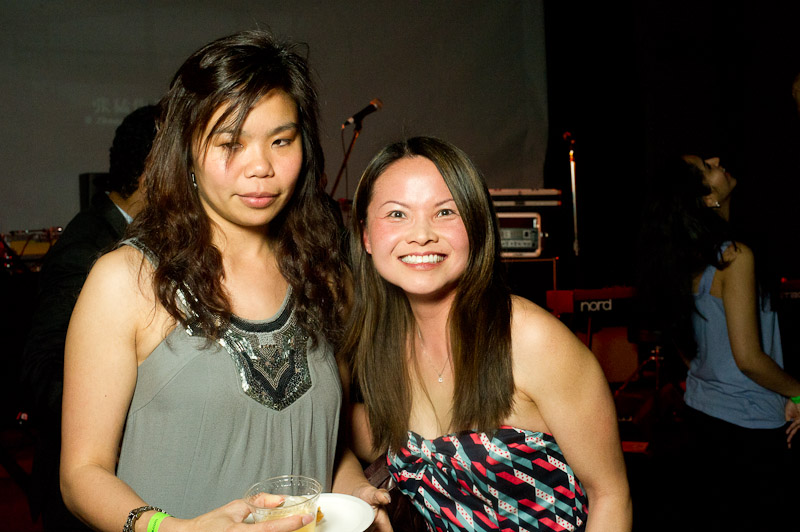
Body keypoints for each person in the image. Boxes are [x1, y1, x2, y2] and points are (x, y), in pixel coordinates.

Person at [60, 30, 388, 532]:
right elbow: (82, 474)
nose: (261, 167)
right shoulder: (127, 281)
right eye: (231, 143)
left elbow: (325, 440)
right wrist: (172, 530)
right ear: (187, 150)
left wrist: (354, 490)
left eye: (281, 141)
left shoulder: (324, 276)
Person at [341, 136, 632, 531]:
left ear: (476, 226)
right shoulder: (383, 350)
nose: (421, 234)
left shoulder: (528, 339)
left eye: (445, 211)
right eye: (396, 214)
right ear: (366, 236)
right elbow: (341, 433)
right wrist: (355, 487)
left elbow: (610, 496)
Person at [636, 153, 800, 531]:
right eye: (706, 168)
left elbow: (688, 350)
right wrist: (797, 393)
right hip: (748, 430)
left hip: (702, 417)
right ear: (707, 198)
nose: (716, 159)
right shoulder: (734, 257)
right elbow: (749, 360)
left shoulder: (684, 259)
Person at [21, 104, 158, 531]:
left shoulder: (145, 237)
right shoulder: (87, 249)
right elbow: (42, 371)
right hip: (88, 500)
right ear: (150, 171)